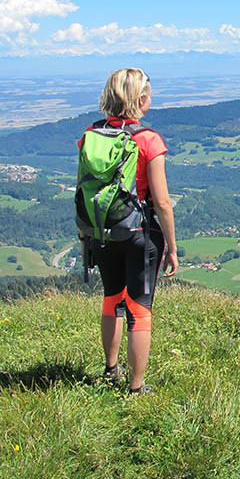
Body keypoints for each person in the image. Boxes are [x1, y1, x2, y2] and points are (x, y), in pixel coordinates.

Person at [79, 68, 178, 394]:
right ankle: (136, 388)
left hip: (101, 232)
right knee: (139, 308)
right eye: (148, 93)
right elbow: (162, 202)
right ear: (140, 99)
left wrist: (86, 237)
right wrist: (173, 248)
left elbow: (84, 188)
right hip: (140, 233)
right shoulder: (148, 140)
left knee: (111, 299)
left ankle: (111, 369)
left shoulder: (90, 136)